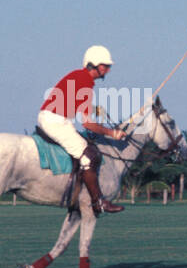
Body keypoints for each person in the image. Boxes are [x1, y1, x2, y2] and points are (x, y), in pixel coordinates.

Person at [37, 45, 127, 215]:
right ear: (93, 65)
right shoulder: (85, 81)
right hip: (55, 120)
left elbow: (79, 108)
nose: (108, 70)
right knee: (89, 156)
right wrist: (112, 133)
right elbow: (87, 124)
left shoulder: (80, 77)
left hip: (55, 118)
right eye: (105, 66)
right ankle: (98, 202)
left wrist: (96, 111)